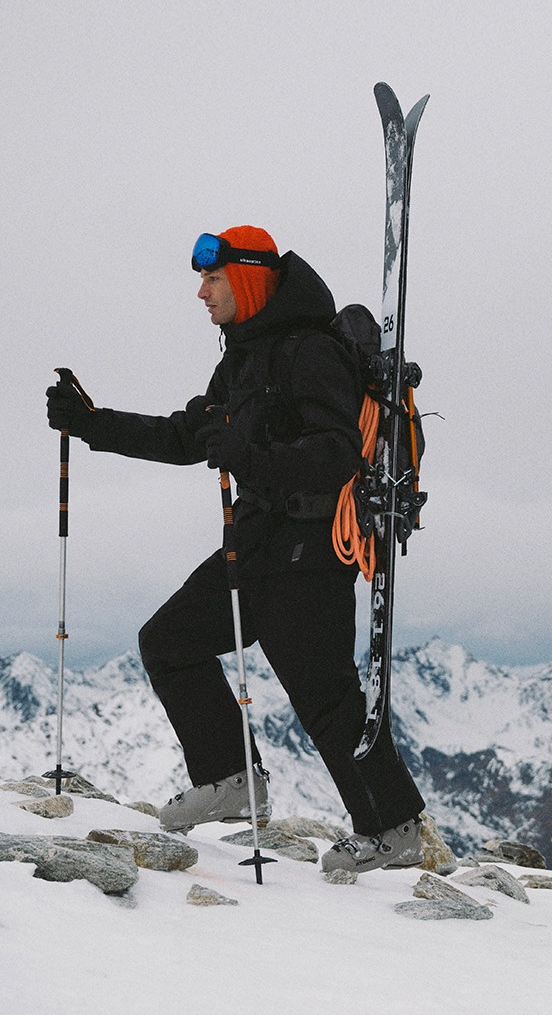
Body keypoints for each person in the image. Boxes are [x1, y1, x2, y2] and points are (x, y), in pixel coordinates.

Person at [45, 226, 424, 875]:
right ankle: (230, 777)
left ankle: (394, 830)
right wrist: (89, 423)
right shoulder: (243, 361)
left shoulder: (311, 352)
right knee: (168, 642)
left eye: (212, 280)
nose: (201, 293)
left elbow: (336, 454)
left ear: (246, 278)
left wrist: (248, 454)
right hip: (252, 548)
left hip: (309, 557)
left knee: (329, 703)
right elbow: (187, 434)